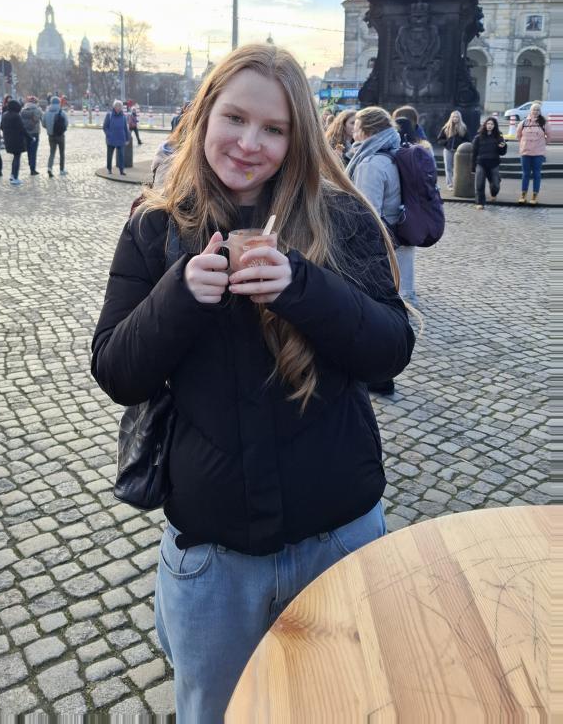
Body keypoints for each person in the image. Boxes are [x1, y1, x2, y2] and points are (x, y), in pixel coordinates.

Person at [91, 44, 414, 721]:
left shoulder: (341, 217)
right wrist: (179, 294)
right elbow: (116, 369)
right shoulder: (155, 226)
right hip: (213, 558)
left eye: (274, 129)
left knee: (342, 708)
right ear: (204, 115)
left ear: (298, 138)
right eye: (235, 118)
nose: (248, 143)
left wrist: (303, 288)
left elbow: (390, 350)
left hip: (340, 537)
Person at [348, 107, 417, 311]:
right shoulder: (395, 152)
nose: (353, 133)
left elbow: (367, 214)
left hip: (384, 242)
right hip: (401, 231)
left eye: (356, 128)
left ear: (367, 131)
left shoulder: (370, 163)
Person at [516, 102, 551, 205]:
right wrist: (524, 144)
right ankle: (523, 195)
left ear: (540, 112)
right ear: (530, 111)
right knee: (525, 174)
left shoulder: (544, 123)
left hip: (538, 153)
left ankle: (534, 196)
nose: (535, 111)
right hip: (525, 153)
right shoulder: (523, 123)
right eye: (534, 109)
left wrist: (541, 144)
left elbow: (549, 137)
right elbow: (518, 136)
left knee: (537, 174)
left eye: (537, 110)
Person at [471, 117, 507, 208]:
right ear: (485, 125)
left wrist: (503, 147)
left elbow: (502, 153)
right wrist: (473, 167)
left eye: (492, 124)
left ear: (494, 126)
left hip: (494, 163)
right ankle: (480, 203)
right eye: (488, 124)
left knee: (495, 185)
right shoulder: (478, 137)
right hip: (481, 163)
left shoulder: (499, 137)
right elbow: (474, 153)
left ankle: (494, 192)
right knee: (479, 183)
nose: (489, 126)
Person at [437, 110, 469, 188]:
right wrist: (446, 142)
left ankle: (456, 183)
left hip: (458, 151)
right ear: (451, 118)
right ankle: (450, 184)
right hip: (447, 150)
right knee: (448, 168)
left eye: (457, 117)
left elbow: (467, 140)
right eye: (454, 117)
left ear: (459, 118)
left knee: (457, 168)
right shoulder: (446, 127)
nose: (455, 118)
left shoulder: (463, 128)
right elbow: (439, 139)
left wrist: (460, 144)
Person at [1, 99, 30, 185]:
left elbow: (1, 126)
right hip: (17, 140)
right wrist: (30, 138)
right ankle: (15, 177)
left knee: (15, 158)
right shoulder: (17, 116)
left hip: (8, 139)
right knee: (17, 158)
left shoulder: (5, 115)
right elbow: (22, 128)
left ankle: (12, 175)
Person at [103, 100, 131, 176]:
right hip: (111, 139)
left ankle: (121, 170)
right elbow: (105, 127)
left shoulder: (123, 116)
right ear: (114, 107)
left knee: (121, 156)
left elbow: (125, 128)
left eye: (120, 106)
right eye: (117, 106)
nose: (118, 108)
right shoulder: (109, 115)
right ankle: (109, 169)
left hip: (121, 138)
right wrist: (108, 134)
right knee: (109, 155)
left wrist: (127, 138)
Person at [43, 96, 69, 177]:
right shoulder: (62, 112)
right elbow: (66, 123)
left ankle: (49, 168)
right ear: (59, 103)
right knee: (62, 153)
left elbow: (43, 124)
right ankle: (61, 170)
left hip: (51, 136)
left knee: (52, 153)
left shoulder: (46, 113)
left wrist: (49, 129)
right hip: (60, 135)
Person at [21, 96, 43, 176]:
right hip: (35, 133)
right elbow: (42, 120)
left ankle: (30, 164)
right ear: (36, 102)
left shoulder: (23, 110)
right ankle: (32, 169)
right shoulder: (38, 110)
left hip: (26, 133)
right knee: (33, 151)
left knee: (29, 150)